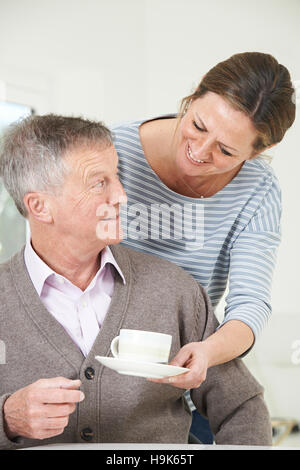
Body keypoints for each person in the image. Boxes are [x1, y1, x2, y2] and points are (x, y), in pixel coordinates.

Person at [0, 114, 272, 449]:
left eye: (117, 177)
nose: (122, 196)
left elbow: (242, 408)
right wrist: (7, 418)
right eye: (100, 183)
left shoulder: (175, 292)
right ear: (40, 206)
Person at [111, 52, 296, 441]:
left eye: (227, 152)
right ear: (193, 96)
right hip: (99, 382)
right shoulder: (111, 153)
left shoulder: (257, 189)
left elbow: (250, 303)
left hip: (181, 390)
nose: (200, 151)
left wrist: (208, 354)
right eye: (198, 125)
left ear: (255, 153)